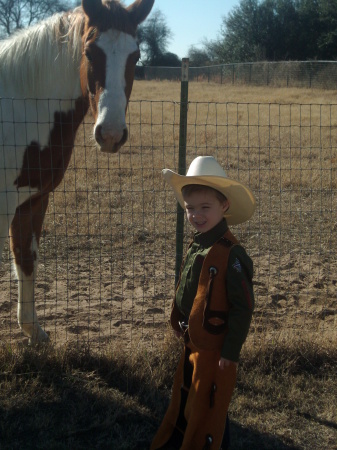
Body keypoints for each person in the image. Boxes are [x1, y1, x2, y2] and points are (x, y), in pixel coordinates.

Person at [151, 156, 256, 450]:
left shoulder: (233, 255)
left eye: (204, 208)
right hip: (193, 340)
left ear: (224, 206)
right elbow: (188, 288)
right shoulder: (198, 243)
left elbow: (243, 308)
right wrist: (178, 321)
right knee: (189, 393)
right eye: (190, 209)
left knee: (211, 401)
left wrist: (231, 352)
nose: (196, 215)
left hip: (215, 347)